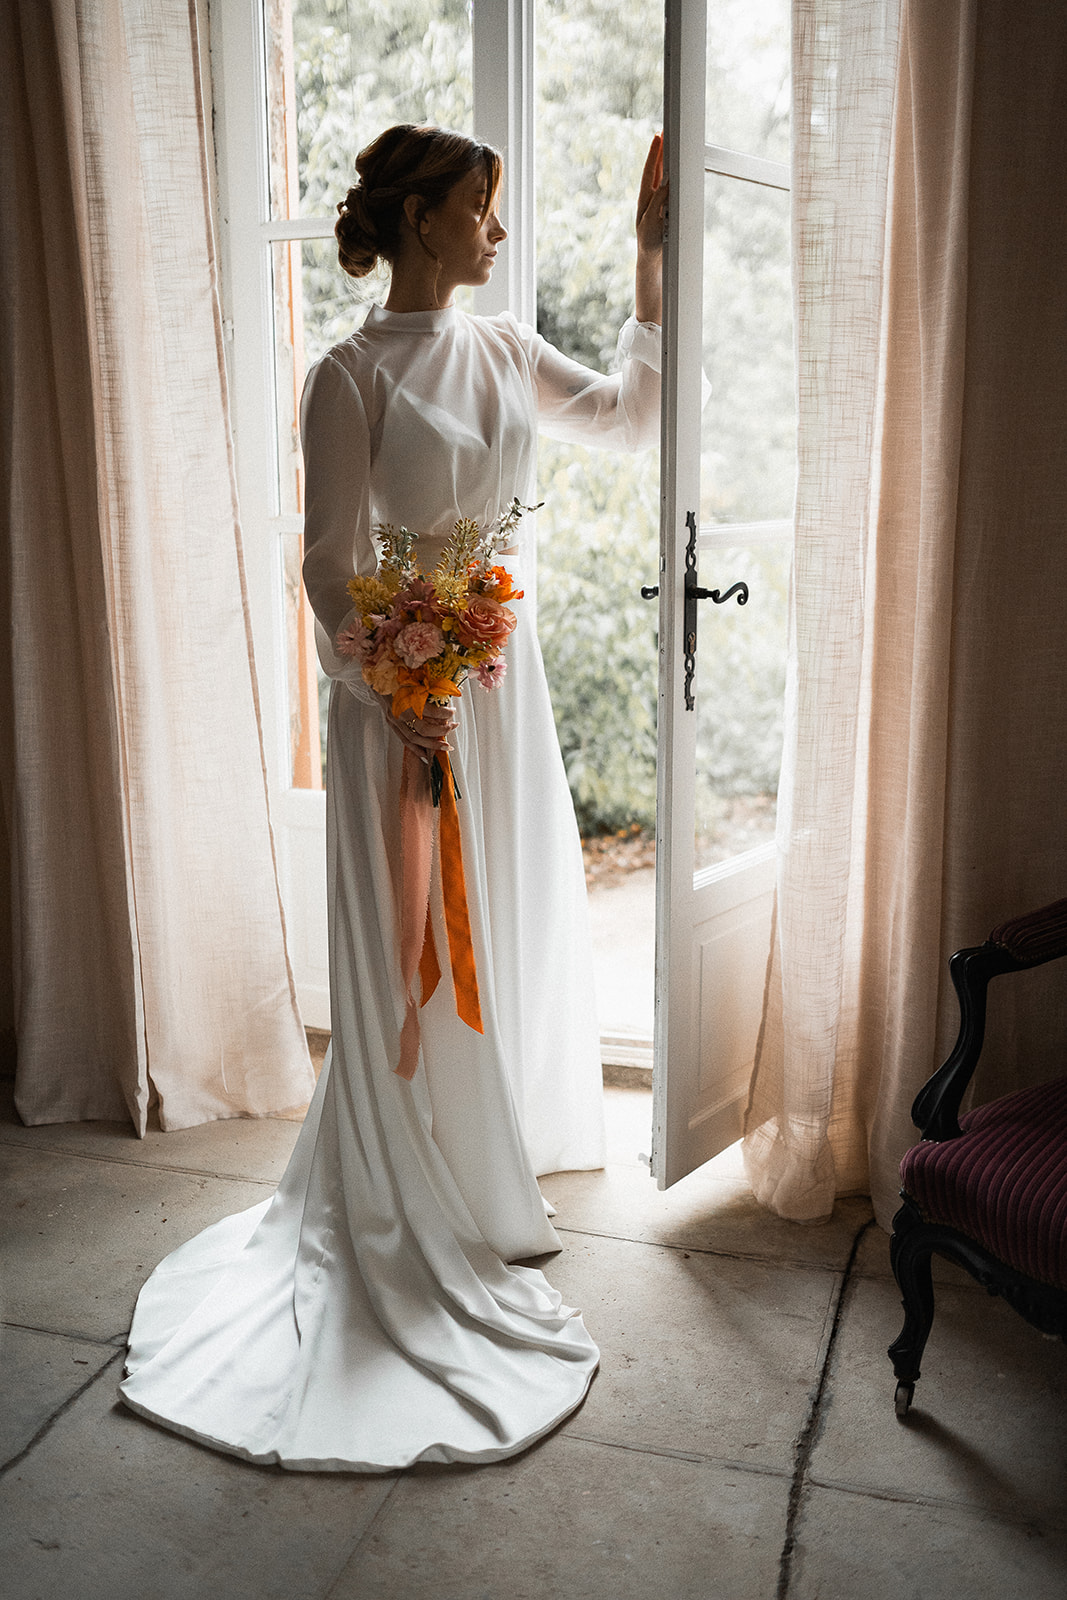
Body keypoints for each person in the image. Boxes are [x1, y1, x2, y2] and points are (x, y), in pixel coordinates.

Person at [119, 123, 666, 1472]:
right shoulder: (347, 374)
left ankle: (483, 1158)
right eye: (480, 208)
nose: (495, 230)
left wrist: (651, 274)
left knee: (502, 919)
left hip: (499, 682)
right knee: (409, 954)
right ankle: (394, 1175)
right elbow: (324, 565)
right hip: (399, 705)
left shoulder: (500, 348)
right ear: (421, 218)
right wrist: (391, 683)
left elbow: (632, 421)